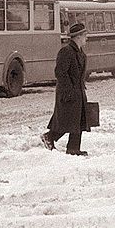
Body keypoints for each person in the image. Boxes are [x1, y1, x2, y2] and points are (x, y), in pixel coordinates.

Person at [41, 23, 91, 156]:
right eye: (85, 35)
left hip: (78, 91)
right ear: (78, 37)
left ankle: (73, 148)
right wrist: (69, 90)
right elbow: (60, 72)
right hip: (68, 92)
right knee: (66, 119)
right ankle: (49, 137)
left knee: (78, 119)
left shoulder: (80, 53)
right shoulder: (66, 51)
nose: (86, 38)